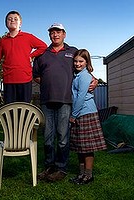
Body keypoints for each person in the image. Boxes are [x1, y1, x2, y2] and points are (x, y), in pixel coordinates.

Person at [33, 23, 98, 182]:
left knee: (63, 137)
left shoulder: (72, 51)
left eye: (58, 32)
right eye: (52, 32)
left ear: (64, 34)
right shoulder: (42, 54)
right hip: (47, 101)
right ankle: (49, 166)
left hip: (66, 101)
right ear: (49, 35)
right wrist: (51, 82)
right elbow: (36, 76)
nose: (55, 35)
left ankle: (61, 168)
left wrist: (94, 79)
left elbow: (83, 67)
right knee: (48, 137)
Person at [0, 10, 47, 104]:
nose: (12, 20)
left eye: (15, 19)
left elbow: (43, 46)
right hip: (8, 80)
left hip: (25, 79)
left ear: (20, 24)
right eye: (9, 19)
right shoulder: (3, 41)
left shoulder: (28, 37)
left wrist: (31, 56)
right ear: (6, 23)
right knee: (10, 109)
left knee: (24, 109)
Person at [69, 49, 107, 185]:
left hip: (86, 113)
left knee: (87, 147)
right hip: (79, 113)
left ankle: (88, 175)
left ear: (86, 62)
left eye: (81, 61)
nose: (77, 64)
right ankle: (81, 174)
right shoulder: (77, 75)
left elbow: (81, 97)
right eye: (75, 61)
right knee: (80, 146)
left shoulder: (85, 76)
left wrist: (73, 115)